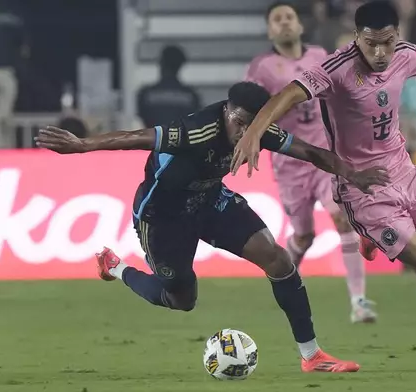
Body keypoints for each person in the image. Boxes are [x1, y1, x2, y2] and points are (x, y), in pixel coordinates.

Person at [231, 0, 416, 372]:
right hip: (361, 188)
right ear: (357, 38)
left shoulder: (406, 55)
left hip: (405, 172)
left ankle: (372, 238)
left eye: (387, 43)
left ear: (398, 37)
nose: (380, 53)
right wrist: (255, 130)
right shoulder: (336, 68)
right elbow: (288, 94)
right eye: (371, 43)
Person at [34, 81, 390, 373]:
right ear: (226, 111)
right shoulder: (196, 130)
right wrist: (83, 145)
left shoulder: (257, 129)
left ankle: (311, 355)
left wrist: (354, 174)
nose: (243, 132)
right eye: (239, 122)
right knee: (181, 299)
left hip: (209, 202)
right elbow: (136, 136)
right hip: (162, 219)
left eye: (252, 124)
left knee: (278, 260)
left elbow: (311, 152)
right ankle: (116, 266)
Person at [245, 1, 376, 324]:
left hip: (324, 155)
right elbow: (250, 108)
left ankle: (359, 302)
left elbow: (344, 89)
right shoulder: (262, 68)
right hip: (289, 161)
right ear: (269, 30)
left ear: (300, 26)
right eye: (277, 19)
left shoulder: (320, 56)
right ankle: (282, 282)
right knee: (304, 236)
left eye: (289, 17)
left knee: (342, 219)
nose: (285, 23)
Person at [137, 45, 202, 128]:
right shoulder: (191, 96)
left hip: (155, 139)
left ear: (161, 63)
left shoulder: (146, 94)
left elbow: (143, 119)